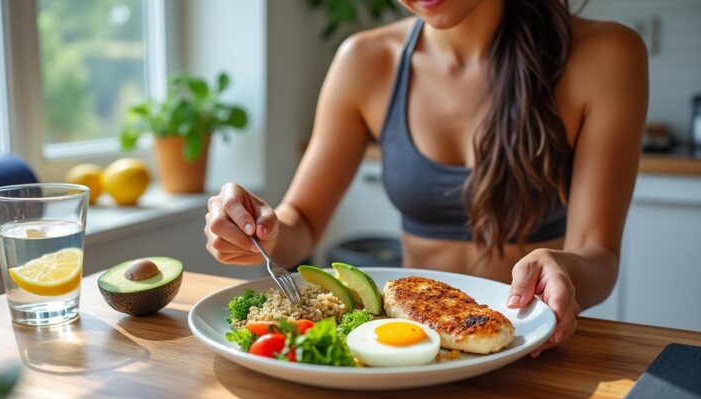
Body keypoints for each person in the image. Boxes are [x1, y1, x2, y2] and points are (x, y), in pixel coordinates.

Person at [204, 0, 648, 356]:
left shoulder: (607, 55)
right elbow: (300, 223)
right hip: (406, 355)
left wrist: (565, 266)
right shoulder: (363, 61)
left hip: (531, 353)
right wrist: (260, 231)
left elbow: (600, 257)